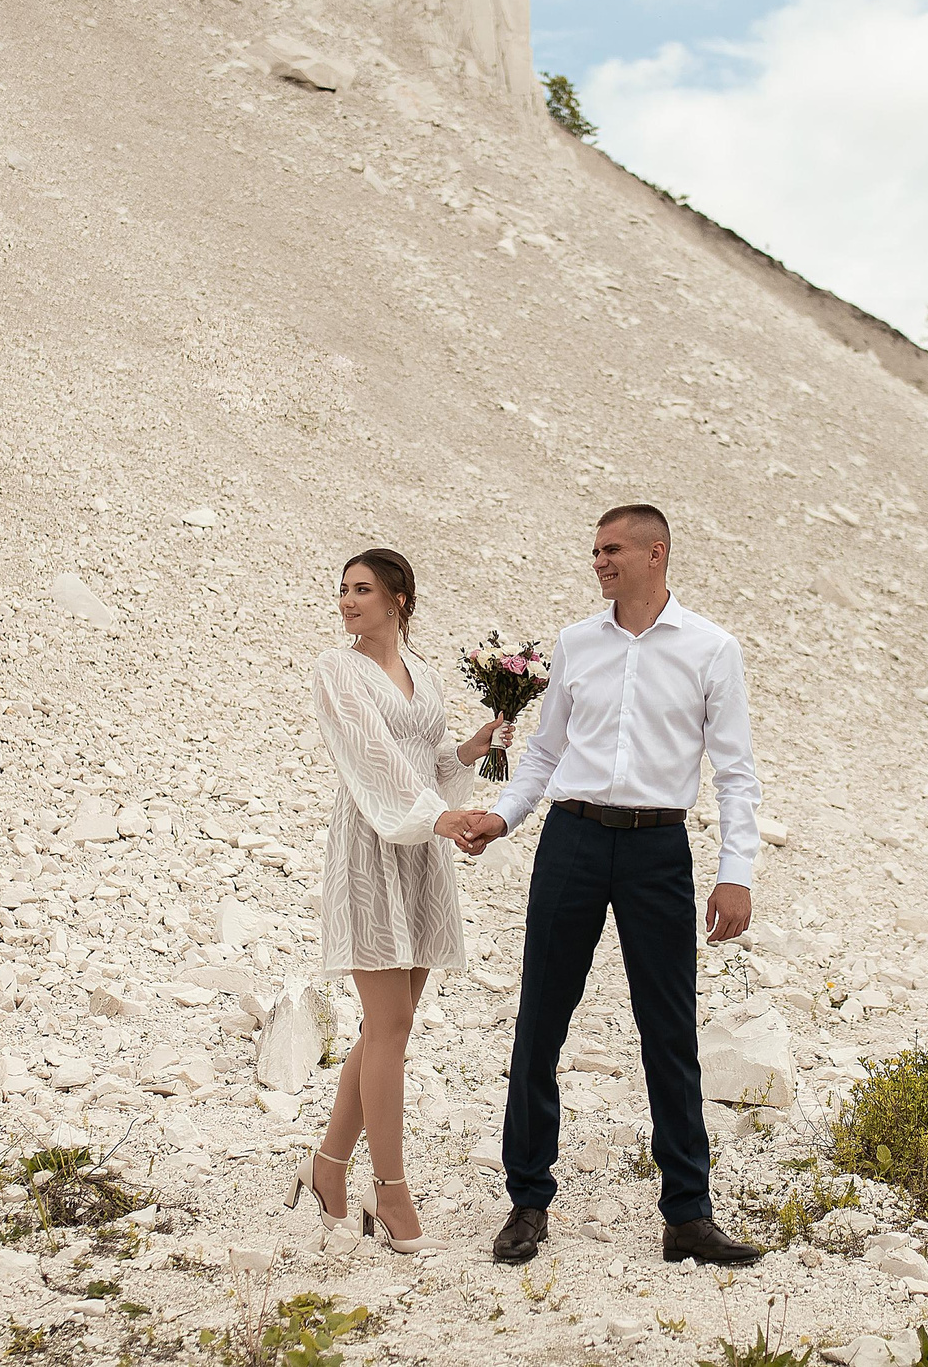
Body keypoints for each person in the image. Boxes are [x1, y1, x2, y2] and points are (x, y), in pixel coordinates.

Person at [437, 504, 766, 1266]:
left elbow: (738, 773)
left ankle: (688, 1213)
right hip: (573, 840)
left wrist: (735, 872)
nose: (598, 561)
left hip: (659, 850)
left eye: (612, 548)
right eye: (593, 550)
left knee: (669, 1031)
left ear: (657, 553)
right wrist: (503, 818)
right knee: (540, 1022)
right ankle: (527, 1201)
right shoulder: (577, 644)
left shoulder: (714, 649)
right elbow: (547, 754)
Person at [284, 547, 513, 1256]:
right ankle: (391, 1193)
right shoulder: (336, 669)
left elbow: (432, 760)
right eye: (344, 589)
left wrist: (473, 747)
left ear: (399, 598)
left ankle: (326, 1167)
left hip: (420, 847)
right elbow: (372, 758)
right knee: (391, 1024)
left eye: (362, 589)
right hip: (373, 843)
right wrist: (437, 817)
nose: (348, 601)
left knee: (391, 1023)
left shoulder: (429, 677)